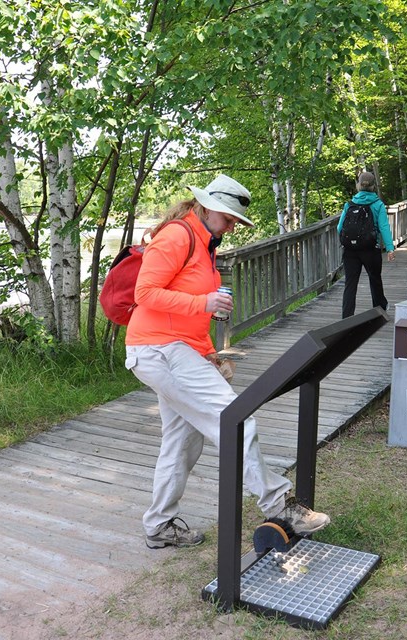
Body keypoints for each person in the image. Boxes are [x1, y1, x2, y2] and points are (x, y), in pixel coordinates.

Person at [124, 174, 330, 548]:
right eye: (228, 217)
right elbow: (145, 293)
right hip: (158, 349)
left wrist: (207, 352)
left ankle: (158, 526)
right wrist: (202, 303)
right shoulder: (176, 236)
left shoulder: (205, 244)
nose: (232, 226)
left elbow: (186, 318)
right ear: (206, 207)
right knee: (236, 419)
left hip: (176, 349)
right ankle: (280, 506)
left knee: (183, 443)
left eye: (235, 220)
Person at [338, 171, 395, 318]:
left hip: (350, 250)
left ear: (359, 185)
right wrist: (390, 248)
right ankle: (379, 311)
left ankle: (347, 316)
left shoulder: (349, 204)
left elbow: (339, 228)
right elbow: (383, 227)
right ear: (373, 186)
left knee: (350, 283)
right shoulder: (378, 204)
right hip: (370, 249)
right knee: (374, 279)